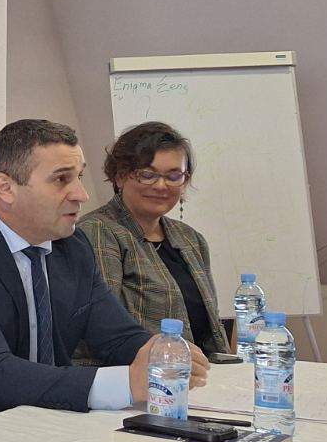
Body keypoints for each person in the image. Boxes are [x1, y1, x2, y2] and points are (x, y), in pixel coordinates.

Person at [0, 118, 210, 436]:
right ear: (6, 188)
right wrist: (128, 382)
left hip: (41, 423)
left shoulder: (73, 246)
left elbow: (116, 336)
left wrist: (159, 353)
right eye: (61, 180)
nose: (81, 194)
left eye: (79, 177)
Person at [76, 121, 230, 358]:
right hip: (136, 375)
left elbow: (212, 331)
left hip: (199, 372)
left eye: (174, 176)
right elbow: (103, 329)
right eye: (147, 175)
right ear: (120, 176)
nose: (161, 186)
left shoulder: (191, 239)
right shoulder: (97, 232)